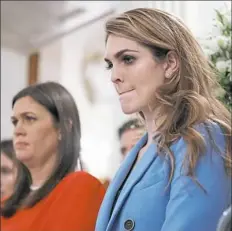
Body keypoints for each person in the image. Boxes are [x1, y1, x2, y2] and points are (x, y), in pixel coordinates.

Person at [95, 8, 231, 231]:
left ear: (170, 64)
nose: (114, 76)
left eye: (128, 59)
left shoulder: (201, 138)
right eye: (111, 64)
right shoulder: (137, 151)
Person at [1, 81, 105, 231]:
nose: (18, 130)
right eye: (15, 121)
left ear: (63, 128)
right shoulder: (5, 206)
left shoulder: (81, 187)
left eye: (29, 119)